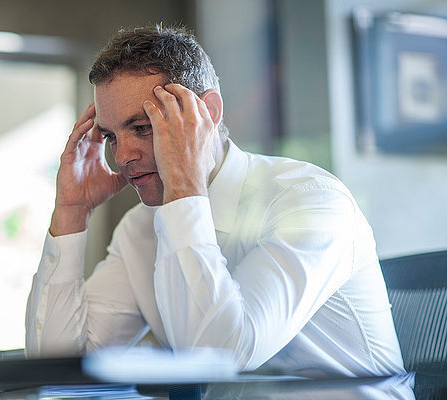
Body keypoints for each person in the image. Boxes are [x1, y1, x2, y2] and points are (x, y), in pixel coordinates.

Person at [25, 25, 405, 378]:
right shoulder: (140, 229)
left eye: (141, 128)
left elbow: (218, 356)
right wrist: (71, 213)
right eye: (110, 137)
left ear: (207, 113)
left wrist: (184, 187)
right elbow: (57, 369)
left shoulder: (310, 202)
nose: (122, 156)